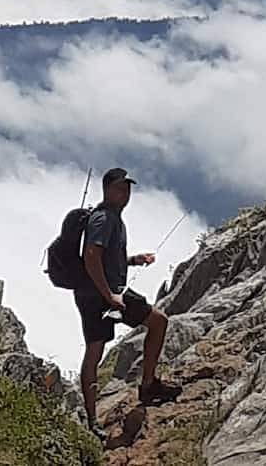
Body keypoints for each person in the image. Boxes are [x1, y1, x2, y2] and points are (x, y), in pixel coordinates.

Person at [75, 167, 181, 440]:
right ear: (107, 189)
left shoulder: (113, 219)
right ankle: (146, 388)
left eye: (128, 188)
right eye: (120, 188)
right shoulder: (103, 218)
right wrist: (109, 296)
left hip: (96, 294)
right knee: (157, 321)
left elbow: (106, 257)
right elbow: (91, 257)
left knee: (95, 351)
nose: (125, 193)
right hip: (105, 294)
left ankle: (92, 420)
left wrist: (134, 260)